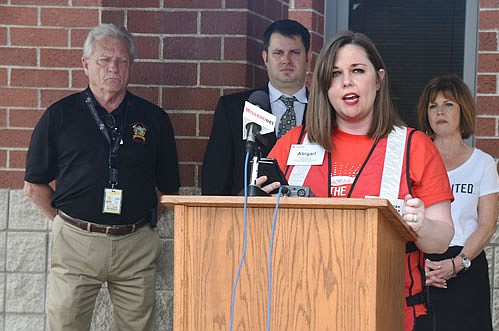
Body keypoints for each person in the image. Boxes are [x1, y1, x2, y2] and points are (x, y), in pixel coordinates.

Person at [259, 30, 455, 331]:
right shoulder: (292, 144)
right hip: (302, 309)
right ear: (325, 86)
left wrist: (420, 225)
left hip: (389, 312)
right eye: (335, 74)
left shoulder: (413, 146)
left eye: (357, 71)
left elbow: (440, 239)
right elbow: (257, 231)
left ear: (378, 79)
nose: (346, 82)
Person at [23, 23, 180, 330]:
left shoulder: (154, 119)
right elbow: (35, 185)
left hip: (135, 244)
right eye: (104, 60)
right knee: (65, 324)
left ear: (131, 66)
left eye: (122, 60)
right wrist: (65, 224)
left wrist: (140, 222)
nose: (113, 67)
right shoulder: (60, 116)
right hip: (75, 242)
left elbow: (167, 189)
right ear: (86, 64)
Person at [414, 75, 499, 331]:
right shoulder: (413, 158)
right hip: (422, 266)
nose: (440, 111)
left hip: (466, 265)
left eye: (448, 104)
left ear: (463, 110)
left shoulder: (482, 162)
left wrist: (457, 263)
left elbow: (487, 225)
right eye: (433, 106)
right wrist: (423, 265)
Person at [201, 19, 310, 195]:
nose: (286, 60)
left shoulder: (327, 110)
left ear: (308, 57)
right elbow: (215, 179)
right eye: (278, 53)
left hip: (313, 217)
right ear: (265, 58)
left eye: (295, 52)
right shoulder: (233, 109)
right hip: (247, 217)